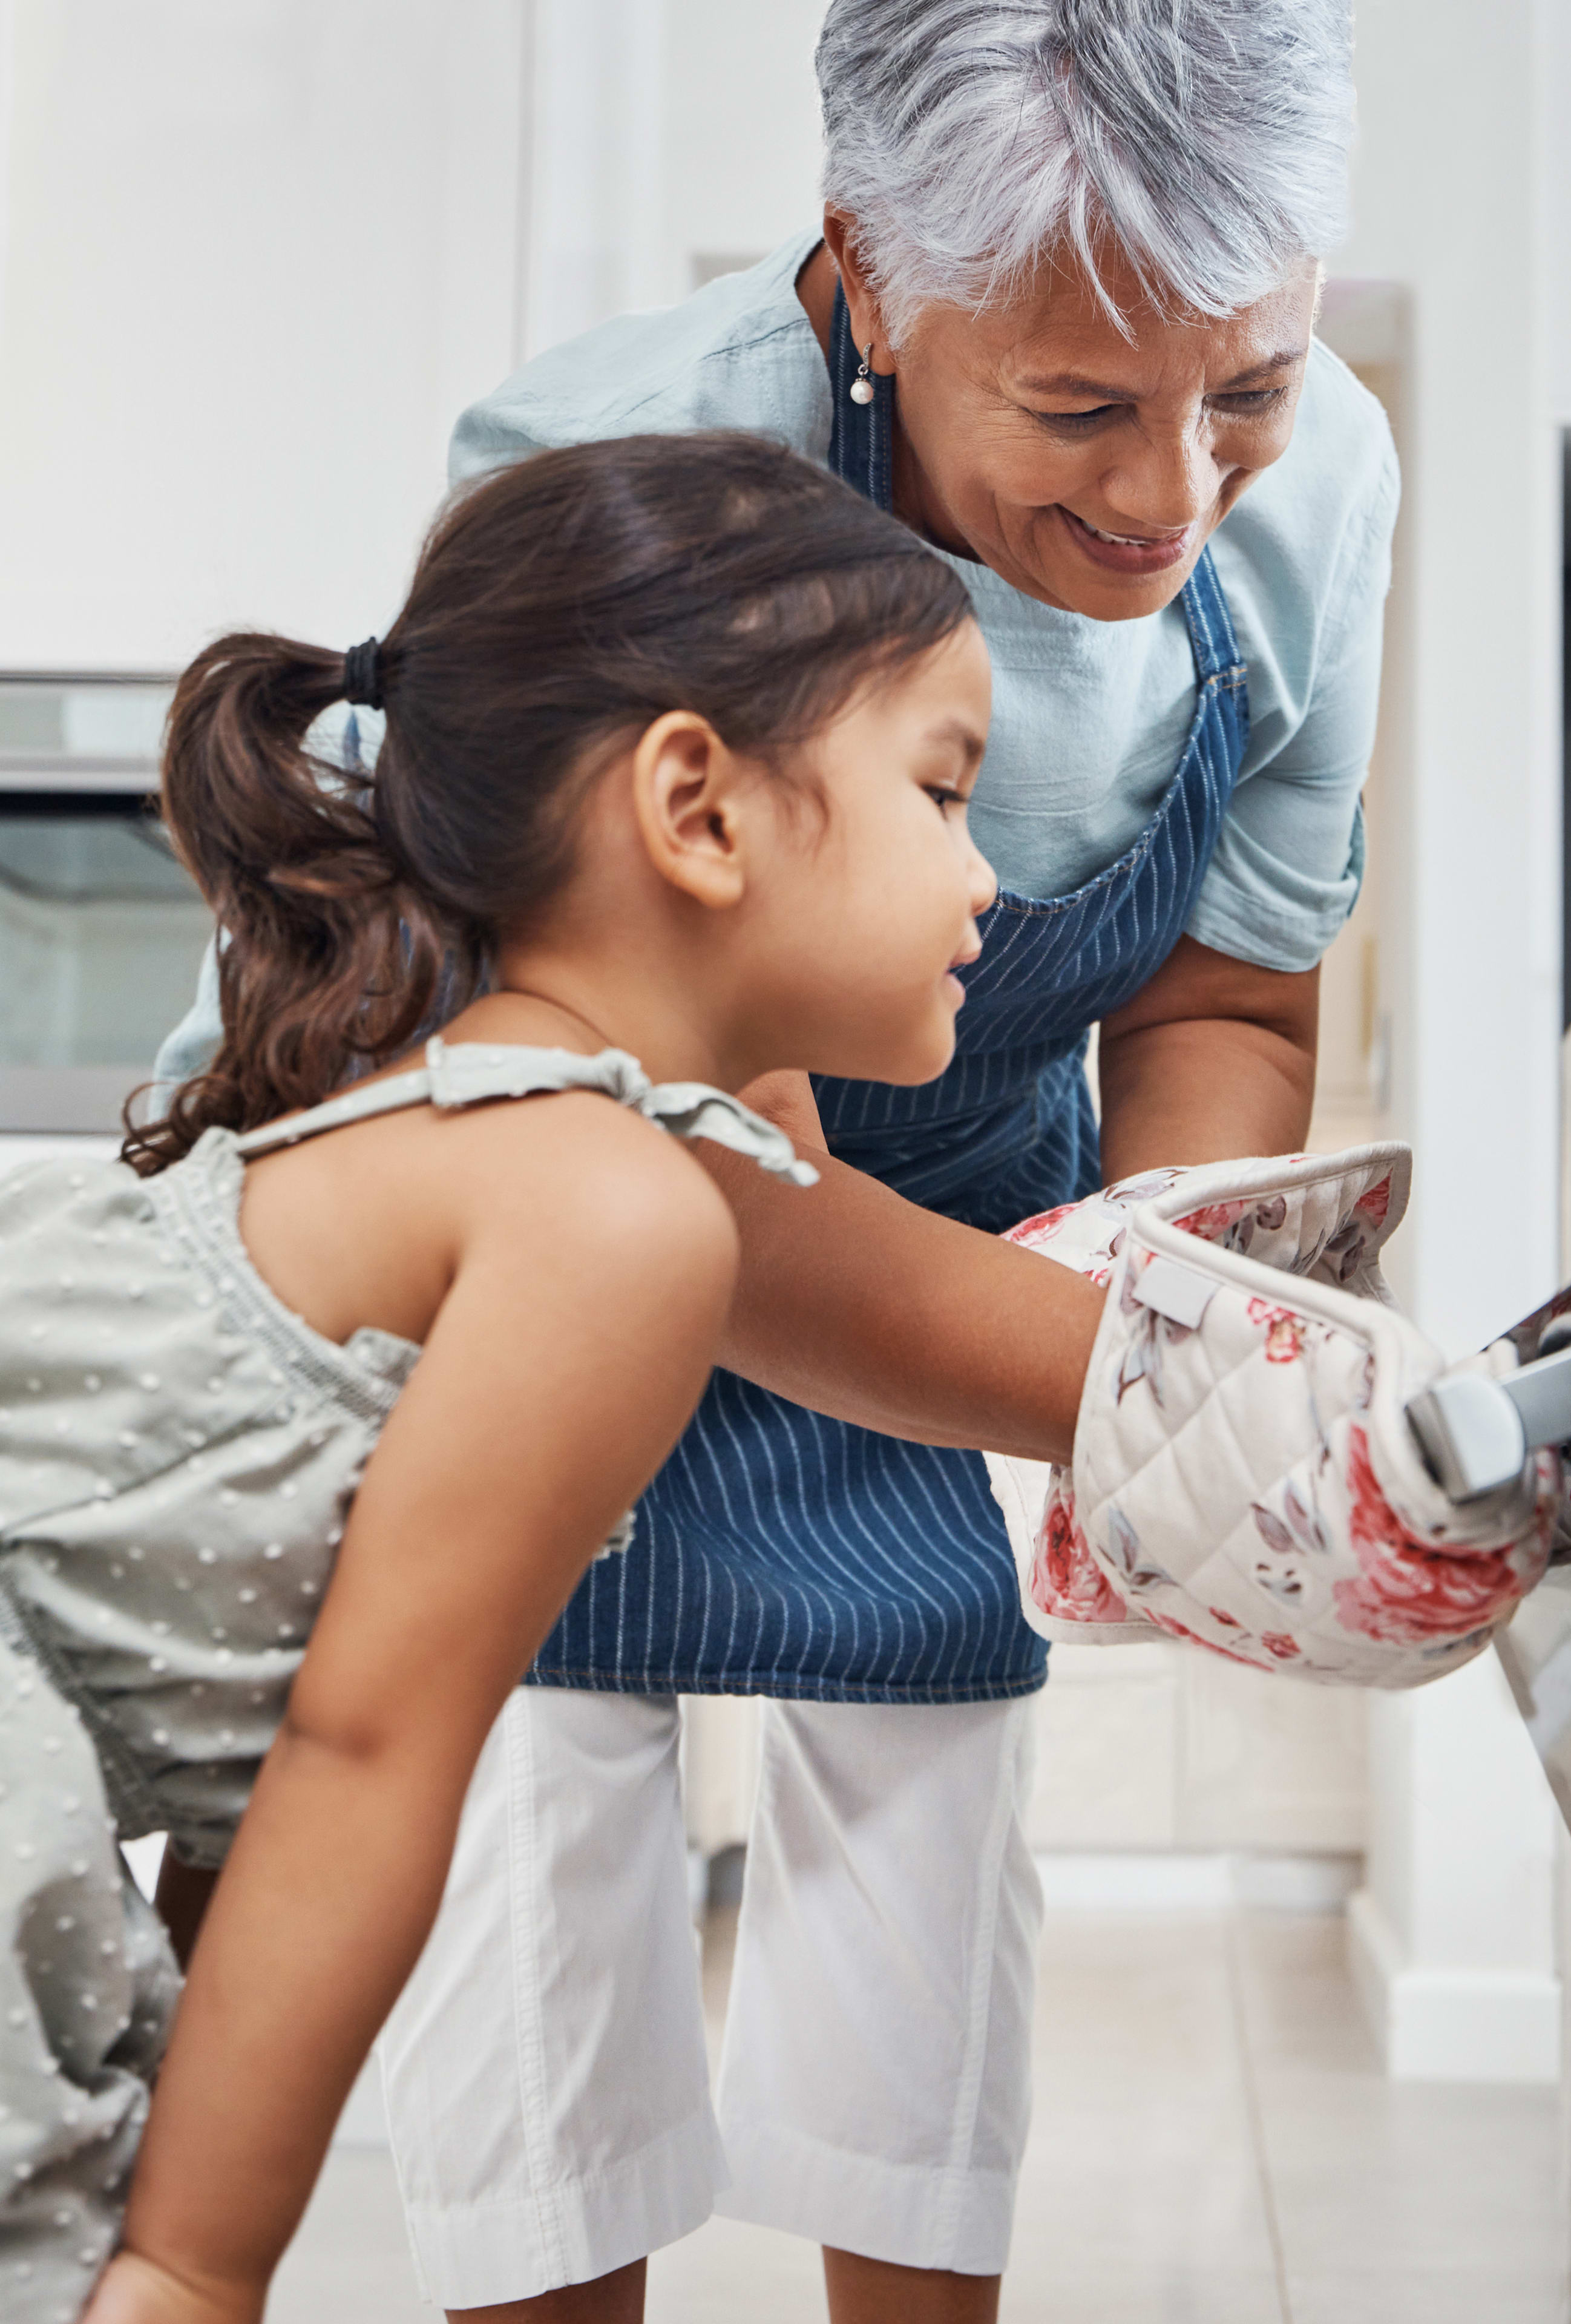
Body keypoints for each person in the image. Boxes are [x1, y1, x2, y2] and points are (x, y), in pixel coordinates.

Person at [153, 2, 1391, 2316]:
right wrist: (1193, 1396)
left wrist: (1159, 1288)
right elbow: (687, 1169)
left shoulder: (1315, 502)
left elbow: (1222, 992)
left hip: (972, 1219)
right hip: (574, 1157)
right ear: (871, 277)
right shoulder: (629, 461)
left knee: (925, 1883)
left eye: (1252, 384)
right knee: (532, 1831)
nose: (1176, 494)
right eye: (1081, 406)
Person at [0, 427, 992, 2324]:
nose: (988, 877)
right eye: (944, 794)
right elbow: (361, 1759)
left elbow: (261, 1746)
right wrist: (196, 2275)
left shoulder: (492, 1126)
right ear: (697, 809)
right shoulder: (615, 1215)